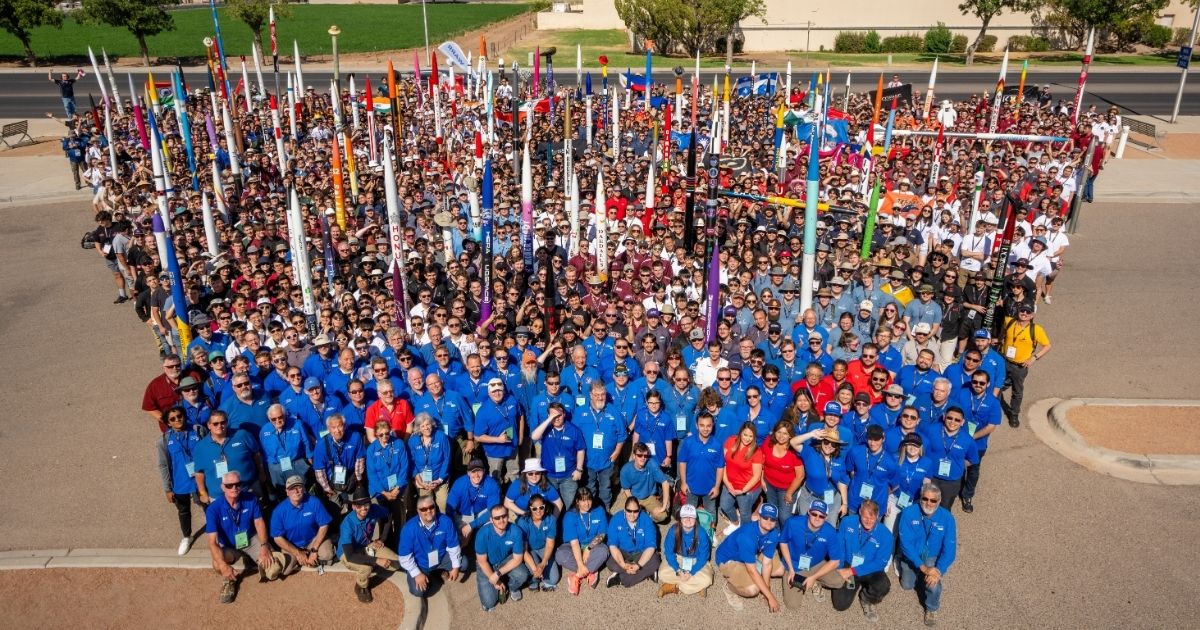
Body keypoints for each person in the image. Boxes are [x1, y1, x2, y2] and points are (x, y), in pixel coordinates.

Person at [204, 471, 274, 604]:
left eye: (237, 484)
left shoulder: (251, 498)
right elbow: (212, 542)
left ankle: (250, 557)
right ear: (223, 487)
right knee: (217, 563)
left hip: (250, 540)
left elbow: (259, 523)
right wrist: (223, 565)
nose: (234, 488)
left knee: (273, 570)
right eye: (229, 485)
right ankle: (229, 580)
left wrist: (264, 546)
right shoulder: (213, 509)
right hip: (230, 547)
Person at [821, 500, 893, 621]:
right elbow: (840, 547)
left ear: (877, 516)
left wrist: (852, 571)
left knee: (883, 585)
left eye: (872, 518)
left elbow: (880, 563)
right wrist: (840, 569)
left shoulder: (886, 535)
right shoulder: (847, 522)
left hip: (869, 568)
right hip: (847, 564)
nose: (868, 521)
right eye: (865, 516)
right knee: (840, 605)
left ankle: (866, 598)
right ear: (859, 511)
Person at [897, 483, 958, 627]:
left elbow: (950, 549)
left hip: (932, 558)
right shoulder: (908, 513)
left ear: (939, 500)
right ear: (920, 498)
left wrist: (938, 570)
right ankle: (900, 561)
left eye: (933, 500)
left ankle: (932, 608)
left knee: (933, 583)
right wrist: (923, 568)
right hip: (912, 556)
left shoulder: (948, 518)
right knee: (907, 585)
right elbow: (906, 544)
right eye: (925, 499)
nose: (928, 503)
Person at [156, 406, 205, 555]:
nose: (177, 420)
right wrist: (167, 488)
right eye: (173, 419)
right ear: (168, 423)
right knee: (183, 510)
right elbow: (163, 465)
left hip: (200, 479)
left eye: (179, 416)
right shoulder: (164, 440)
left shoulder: (198, 431)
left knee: (206, 504)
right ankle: (186, 536)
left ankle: (214, 530)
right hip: (180, 481)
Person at [715, 503, 782, 612]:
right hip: (728, 559)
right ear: (759, 517)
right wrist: (771, 597)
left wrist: (767, 589)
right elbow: (752, 570)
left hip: (749, 555)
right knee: (753, 589)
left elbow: (767, 563)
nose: (769, 521)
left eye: (773, 519)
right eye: (765, 517)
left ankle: (759, 583)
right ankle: (729, 587)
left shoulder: (774, 533)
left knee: (780, 570)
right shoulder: (747, 536)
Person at [777, 499, 842, 611]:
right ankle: (806, 579)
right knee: (792, 605)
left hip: (816, 564)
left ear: (826, 517)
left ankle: (814, 581)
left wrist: (814, 577)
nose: (817, 518)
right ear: (808, 512)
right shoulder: (792, 523)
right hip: (795, 565)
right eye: (814, 514)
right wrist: (791, 569)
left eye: (821, 516)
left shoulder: (830, 532)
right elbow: (783, 542)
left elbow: (835, 561)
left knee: (839, 582)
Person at [338, 486, 399, 603]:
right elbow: (350, 555)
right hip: (347, 553)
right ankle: (361, 586)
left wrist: (382, 538)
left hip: (366, 547)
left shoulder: (373, 509)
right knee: (367, 568)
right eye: (359, 505)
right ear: (354, 506)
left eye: (366, 504)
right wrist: (377, 560)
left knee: (396, 563)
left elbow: (388, 515)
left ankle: (370, 562)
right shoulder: (347, 523)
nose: (364, 508)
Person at [266, 475, 334, 580]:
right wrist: (297, 553)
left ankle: (308, 558)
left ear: (304, 488)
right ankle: (302, 559)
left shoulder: (314, 502)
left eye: (299, 487)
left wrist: (314, 550)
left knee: (327, 554)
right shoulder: (279, 511)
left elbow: (324, 524)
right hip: (292, 544)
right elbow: (277, 537)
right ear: (287, 492)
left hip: (312, 540)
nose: (296, 491)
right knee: (286, 569)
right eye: (292, 488)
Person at [397, 495, 465, 597]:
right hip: (421, 564)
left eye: (431, 507)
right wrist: (417, 574)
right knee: (417, 591)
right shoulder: (408, 529)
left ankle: (438, 571)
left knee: (463, 564)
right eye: (423, 509)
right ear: (418, 510)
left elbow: (453, 546)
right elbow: (404, 558)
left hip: (441, 557)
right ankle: (429, 575)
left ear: (435, 506)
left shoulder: (446, 521)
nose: (428, 511)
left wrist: (455, 567)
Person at [999, 304, 1051, 428]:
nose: (1024, 314)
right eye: (1022, 311)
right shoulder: (1009, 321)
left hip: (1020, 366)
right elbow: (1003, 331)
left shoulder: (1036, 329)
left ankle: (1014, 414)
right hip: (1005, 361)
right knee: (998, 384)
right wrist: (999, 339)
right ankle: (992, 405)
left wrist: (1034, 358)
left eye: (1028, 312)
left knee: (1017, 391)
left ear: (1032, 315)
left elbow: (1047, 345)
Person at [530, 401, 585, 508]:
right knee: (550, 507)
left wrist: (579, 470)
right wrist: (549, 419)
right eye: (553, 415)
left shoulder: (574, 430)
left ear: (564, 414)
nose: (557, 418)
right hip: (548, 476)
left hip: (568, 476)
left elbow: (581, 450)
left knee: (570, 506)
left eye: (559, 415)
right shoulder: (545, 428)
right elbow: (534, 437)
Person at [474, 504, 531, 610]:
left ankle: (512, 587)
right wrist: (495, 578)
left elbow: (517, 559)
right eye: (497, 518)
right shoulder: (482, 534)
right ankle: (494, 581)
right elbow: (482, 561)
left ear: (508, 515)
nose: (501, 520)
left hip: (505, 559)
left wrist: (498, 574)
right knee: (489, 603)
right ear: (491, 520)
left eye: (504, 516)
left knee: (523, 575)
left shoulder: (516, 531)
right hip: (487, 563)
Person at [923, 407, 979, 511]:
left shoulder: (968, 440)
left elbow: (972, 460)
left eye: (957, 420)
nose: (952, 422)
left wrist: (958, 465)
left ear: (962, 422)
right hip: (930, 476)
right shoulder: (931, 430)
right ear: (944, 417)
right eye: (949, 418)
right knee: (925, 505)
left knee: (944, 508)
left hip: (951, 482)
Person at [557, 487, 609, 595]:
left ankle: (576, 576)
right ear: (577, 501)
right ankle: (589, 570)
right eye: (583, 500)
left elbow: (602, 534)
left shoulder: (599, 510)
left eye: (589, 499)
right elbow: (574, 542)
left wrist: (589, 548)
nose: (587, 503)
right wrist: (580, 564)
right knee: (560, 555)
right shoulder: (570, 515)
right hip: (574, 546)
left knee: (604, 551)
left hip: (593, 546)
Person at [312, 413, 366, 514]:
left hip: (351, 478)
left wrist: (359, 481)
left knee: (355, 510)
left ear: (345, 426)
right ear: (328, 428)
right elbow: (319, 471)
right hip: (332, 483)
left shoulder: (355, 437)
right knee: (338, 512)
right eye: (333, 427)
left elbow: (360, 460)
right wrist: (328, 489)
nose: (337, 430)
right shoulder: (321, 445)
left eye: (340, 426)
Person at [366, 418, 410, 536]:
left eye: (387, 433)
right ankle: (385, 543)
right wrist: (385, 493)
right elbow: (372, 475)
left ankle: (399, 543)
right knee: (383, 519)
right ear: (376, 434)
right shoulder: (371, 450)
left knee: (399, 517)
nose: (385, 436)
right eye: (381, 434)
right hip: (380, 491)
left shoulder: (398, 444)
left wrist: (397, 488)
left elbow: (404, 466)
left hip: (398, 488)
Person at [658, 503, 714, 597]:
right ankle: (696, 586)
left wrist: (692, 572)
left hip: (696, 560)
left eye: (691, 517)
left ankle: (672, 585)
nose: (688, 520)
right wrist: (678, 570)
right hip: (678, 557)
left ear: (695, 519)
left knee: (708, 579)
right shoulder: (673, 531)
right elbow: (669, 553)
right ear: (680, 519)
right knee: (662, 573)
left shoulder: (702, 533)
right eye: (685, 517)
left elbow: (704, 556)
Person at [604, 496, 661, 588]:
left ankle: (620, 578)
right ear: (624, 510)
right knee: (609, 561)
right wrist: (623, 565)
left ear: (639, 510)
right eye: (629, 511)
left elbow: (651, 547)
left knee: (655, 560)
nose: (632, 514)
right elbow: (613, 546)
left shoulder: (647, 520)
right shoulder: (616, 519)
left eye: (635, 511)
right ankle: (648, 572)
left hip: (640, 553)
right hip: (622, 552)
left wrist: (638, 565)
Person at [676, 410, 726, 514]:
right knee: (689, 514)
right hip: (690, 487)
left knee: (711, 513)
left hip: (710, 488)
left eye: (708, 425)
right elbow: (682, 463)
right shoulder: (688, 442)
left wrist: (717, 487)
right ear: (696, 425)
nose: (705, 429)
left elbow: (720, 467)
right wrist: (684, 483)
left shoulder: (717, 444)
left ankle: (709, 531)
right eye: (702, 425)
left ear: (713, 425)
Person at [720, 422, 765, 528]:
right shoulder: (730, 441)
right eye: (745, 434)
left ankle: (744, 532)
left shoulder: (756, 452)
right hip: (729, 484)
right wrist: (727, 484)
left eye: (751, 436)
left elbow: (756, 476)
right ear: (740, 433)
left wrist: (743, 490)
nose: (747, 438)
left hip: (747, 489)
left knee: (745, 513)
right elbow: (723, 464)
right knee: (725, 506)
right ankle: (735, 523)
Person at [616, 441, 672, 523]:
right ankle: (642, 515)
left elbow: (665, 483)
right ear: (634, 456)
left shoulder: (651, 464)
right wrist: (635, 504)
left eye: (645, 455)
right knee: (625, 517)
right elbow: (627, 490)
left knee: (662, 515)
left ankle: (648, 516)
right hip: (633, 496)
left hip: (649, 497)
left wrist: (663, 507)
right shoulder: (625, 470)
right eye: (639, 455)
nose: (643, 458)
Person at [407, 412, 452, 511]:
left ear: (432, 424)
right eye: (422, 426)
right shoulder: (413, 440)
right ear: (418, 428)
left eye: (427, 424)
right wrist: (418, 479)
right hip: (422, 481)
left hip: (440, 479)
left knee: (443, 504)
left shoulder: (441, 437)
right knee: (426, 506)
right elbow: (412, 461)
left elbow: (447, 459)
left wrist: (440, 479)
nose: (426, 428)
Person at [518, 494, 560, 591]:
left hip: (544, 547)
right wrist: (535, 569)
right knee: (534, 571)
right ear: (530, 508)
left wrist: (543, 563)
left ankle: (539, 576)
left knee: (554, 579)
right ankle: (534, 578)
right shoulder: (523, 521)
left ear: (545, 507)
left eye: (541, 507)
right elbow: (524, 550)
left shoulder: (551, 520)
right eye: (534, 508)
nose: (538, 511)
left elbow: (550, 544)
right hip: (530, 550)